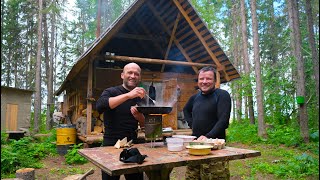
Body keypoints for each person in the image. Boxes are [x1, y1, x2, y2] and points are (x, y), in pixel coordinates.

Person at [96, 62, 146, 180]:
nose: (133, 76)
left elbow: (145, 124)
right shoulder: (111, 91)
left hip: (132, 144)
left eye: (136, 74)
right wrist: (129, 95)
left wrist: (139, 117)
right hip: (111, 144)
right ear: (122, 75)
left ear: (139, 77)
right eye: (130, 72)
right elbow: (100, 105)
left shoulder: (140, 97)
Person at [183, 66, 231, 180]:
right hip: (195, 148)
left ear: (215, 81)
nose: (204, 82)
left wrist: (207, 137)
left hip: (214, 149)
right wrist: (192, 124)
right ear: (198, 80)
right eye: (201, 79)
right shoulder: (195, 98)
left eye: (208, 79)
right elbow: (185, 110)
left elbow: (223, 121)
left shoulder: (222, 95)